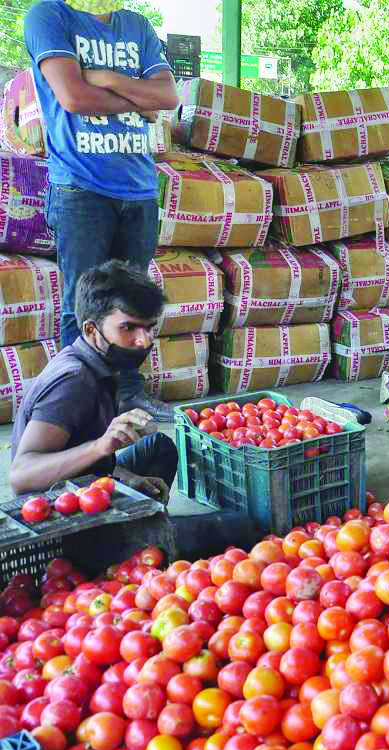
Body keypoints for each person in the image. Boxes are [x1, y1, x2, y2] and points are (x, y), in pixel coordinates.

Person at [24, 0, 179, 422]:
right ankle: (77, 406)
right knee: (83, 304)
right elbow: (73, 96)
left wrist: (107, 78)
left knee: (133, 305)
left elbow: (167, 96)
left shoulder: (137, 26)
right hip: (80, 187)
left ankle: (128, 394)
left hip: (140, 189)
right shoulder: (49, 16)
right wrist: (135, 97)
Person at [10, 260, 176, 499]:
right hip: (60, 508)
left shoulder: (101, 363)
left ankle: (144, 524)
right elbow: (21, 476)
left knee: (160, 445)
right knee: (238, 526)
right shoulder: (74, 382)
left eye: (149, 327)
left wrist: (129, 478)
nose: (145, 341)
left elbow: (94, 463)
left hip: (86, 479)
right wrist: (100, 446)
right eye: (128, 328)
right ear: (91, 330)